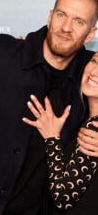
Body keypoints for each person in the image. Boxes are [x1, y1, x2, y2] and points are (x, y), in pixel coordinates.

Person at [0, 0, 98, 215]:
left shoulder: (89, 74)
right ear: (50, 17)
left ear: (90, 34)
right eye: (61, 15)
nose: (66, 27)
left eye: (79, 21)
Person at [23, 52, 98, 214]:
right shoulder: (85, 118)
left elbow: (63, 196)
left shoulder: (95, 127)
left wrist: (52, 139)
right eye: (94, 61)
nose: (95, 71)